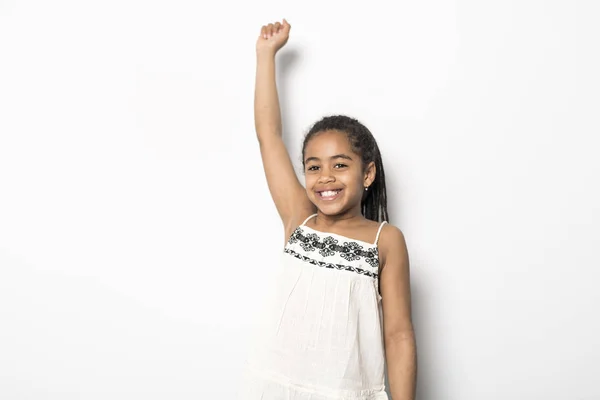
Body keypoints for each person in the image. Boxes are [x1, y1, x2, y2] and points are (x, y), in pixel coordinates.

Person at [238, 19, 417, 400]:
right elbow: (267, 135)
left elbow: (399, 334)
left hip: (343, 392)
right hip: (274, 386)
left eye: (340, 165)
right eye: (314, 167)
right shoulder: (299, 219)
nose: (325, 178)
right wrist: (265, 55)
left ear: (367, 173)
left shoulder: (385, 240)